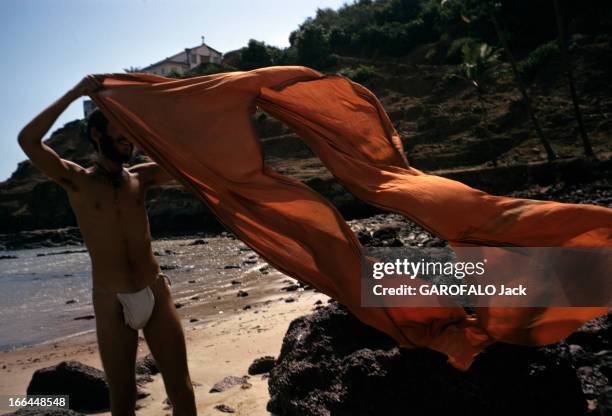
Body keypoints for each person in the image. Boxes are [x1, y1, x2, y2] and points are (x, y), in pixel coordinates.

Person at [17, 75, 197, 416]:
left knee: (181, 391)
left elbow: (188, 157)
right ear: (97, 135)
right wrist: (73, 94)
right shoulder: (78, 181)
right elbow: (27, 140)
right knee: (123, 399)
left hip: (155, 292)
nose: (127, 138)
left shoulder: (142, 177)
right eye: (119, 131)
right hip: (110, 301)